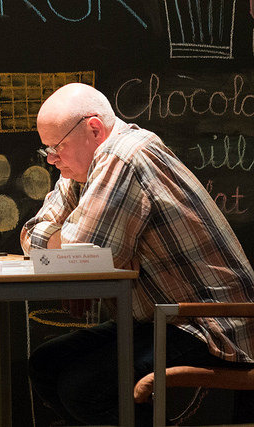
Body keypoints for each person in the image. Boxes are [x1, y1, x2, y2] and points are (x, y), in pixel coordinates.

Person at [21, 82, 254, 426]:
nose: (51, 159)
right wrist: (71, 247)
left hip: (209, 324)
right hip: (159, 320)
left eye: (58, 147)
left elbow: (84, 254)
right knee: (46, 364)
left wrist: (72, 248)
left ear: (94, 129)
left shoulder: (123, 155)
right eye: (47, 150)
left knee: (83, 389)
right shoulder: (80, 171)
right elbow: (32, 232)